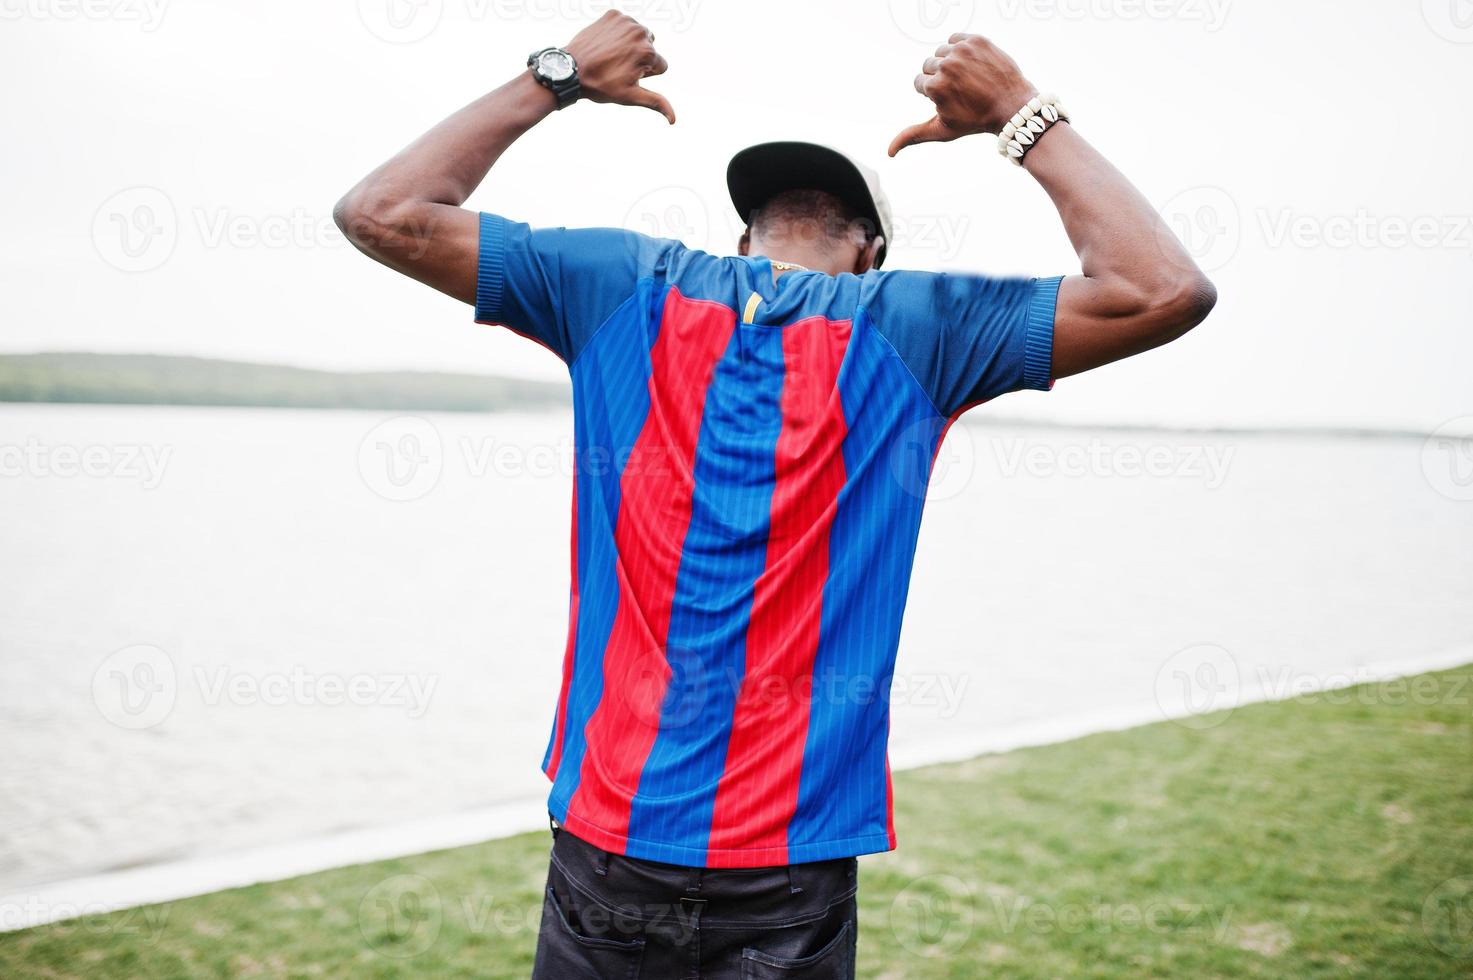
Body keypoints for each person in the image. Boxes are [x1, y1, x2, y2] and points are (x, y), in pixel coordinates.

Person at [334, 11, 1216, 978]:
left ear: (745, 234)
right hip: (787, 863)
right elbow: (1159, 290)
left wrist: (555, 78)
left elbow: (382, 213)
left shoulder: (624, 285)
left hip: (612, 837)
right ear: (871, 250)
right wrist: (1021, 114)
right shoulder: (915, 329)